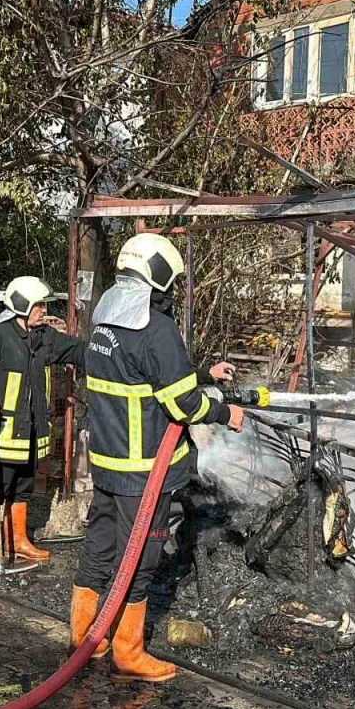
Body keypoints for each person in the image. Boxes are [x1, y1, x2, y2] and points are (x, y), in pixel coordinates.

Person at [71, 234, 244, 682]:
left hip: (107, 460)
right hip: (146, 469)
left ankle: (85, 636)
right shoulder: (156, 326)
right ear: (161, 275)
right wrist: (226, 412)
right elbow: (183, 403)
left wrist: (205, 371)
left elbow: (140, 370)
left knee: (100, 544)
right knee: (141, 559)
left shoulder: (107, 314)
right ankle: (128, 653)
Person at [0, 276, 84, 569]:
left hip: (32, 433)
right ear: (22, 305)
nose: (43, 310)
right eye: (39, 304)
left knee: (23, 488)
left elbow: (77, 351)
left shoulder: (45, 338)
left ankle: (18, 542)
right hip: (3, 432)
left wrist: (110, 352)